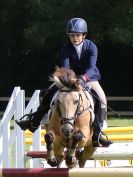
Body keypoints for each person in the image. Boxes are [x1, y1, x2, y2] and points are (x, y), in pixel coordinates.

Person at [15, 17, 113, 147]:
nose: (74, 38)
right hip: (70, 79)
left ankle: (98, 134)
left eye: (77, 35)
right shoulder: (66, 48)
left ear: (84, 35)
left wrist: (83, 78)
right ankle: (34, 121)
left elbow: (91, 68)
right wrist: (71, 80)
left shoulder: (92, 47)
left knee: (101, 98)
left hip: (89, 78)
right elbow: (66, 68)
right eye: (72, 35)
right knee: (49, 92)